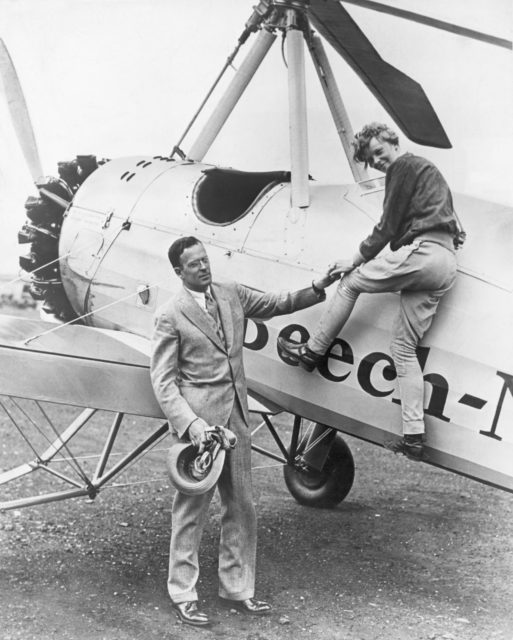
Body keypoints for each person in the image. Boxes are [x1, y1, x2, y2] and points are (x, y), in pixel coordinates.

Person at [150, 236, 334, 627]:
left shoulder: (231, 293)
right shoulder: (170, 314)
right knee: (191, 511)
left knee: (243, 505)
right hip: (200, 429)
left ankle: (237, 590)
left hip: (237, 418)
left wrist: (318, 287)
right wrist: (192, 425)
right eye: (194, 264)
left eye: (205, 259)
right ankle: (183, 593)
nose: (204, 266)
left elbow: (275, 303)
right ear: (179, 272)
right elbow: (164, 382)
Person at [278, 122, 462, 462]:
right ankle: (414, 437)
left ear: (394, 141)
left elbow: (387, 226)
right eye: (372, 160)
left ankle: (312, 351)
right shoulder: (429, 173)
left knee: (349, 282)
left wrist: (356, 257)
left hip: (425, 253)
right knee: (405, 349)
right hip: (446, 261)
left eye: (379, 152)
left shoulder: (404, 166)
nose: (378, 161)